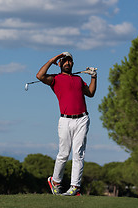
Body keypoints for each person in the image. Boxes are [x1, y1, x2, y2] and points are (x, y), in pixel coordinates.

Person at [36, 52, 97, 196]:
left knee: (78, 154)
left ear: (73, 64)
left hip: (82, 119)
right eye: (64, 61)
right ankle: (55, 181)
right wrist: (53, 59)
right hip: (65, 120)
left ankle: (75, 187)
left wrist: (94, 76)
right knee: (63, 154)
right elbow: (39, 76)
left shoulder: (78, 79)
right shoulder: (55, 79)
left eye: (69, 61)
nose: (67, 63)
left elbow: (90, 93)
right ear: (60, 64)